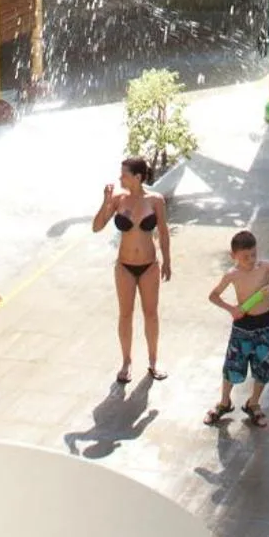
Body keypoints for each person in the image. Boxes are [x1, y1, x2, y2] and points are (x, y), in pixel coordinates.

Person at [206, 229, 269, 428]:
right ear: (234, 256)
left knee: (262, 366)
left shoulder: (264, 267)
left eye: (254, 254)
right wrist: (231, 309)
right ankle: (224, 402)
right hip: (242, 325)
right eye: (245, 256)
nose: (251, 260)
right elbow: (213, 296)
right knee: (232, 366)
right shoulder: (232, 275)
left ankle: (254, 403)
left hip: (264, 324)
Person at [92, 156, 171, 384]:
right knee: (125, 314)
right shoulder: (118, 199)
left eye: (124, 174)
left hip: (149, 265)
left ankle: (154, 360)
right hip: (124, 266)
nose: (120, 178)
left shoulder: (156, 201)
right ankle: (126, 362)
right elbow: (97, 227)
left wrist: (167, 261)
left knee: (151, 314)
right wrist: (105, 201)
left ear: (137, 177)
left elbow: (164, 233)